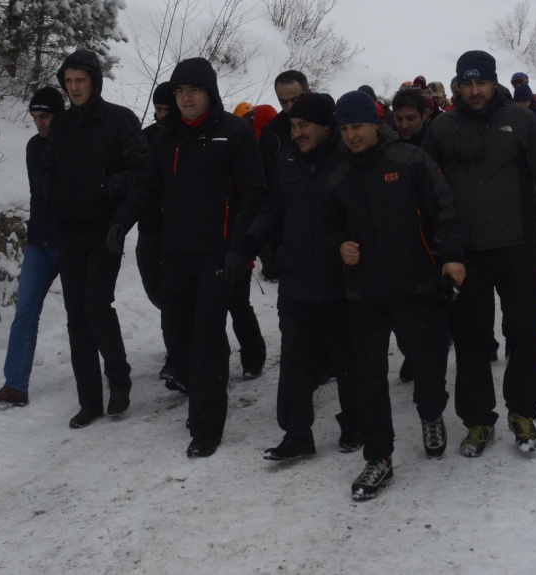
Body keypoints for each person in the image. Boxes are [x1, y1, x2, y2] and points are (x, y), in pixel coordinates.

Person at [421, 50, 536, 457]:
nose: (474, 91)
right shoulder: (441, 128)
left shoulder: (520, 121)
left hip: (517, 247)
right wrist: (435, 249)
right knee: (471, 340)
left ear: (494, 82)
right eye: (466, 84)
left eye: (481, 82)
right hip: (464, 254)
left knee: (525, 332)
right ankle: (478, 421)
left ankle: (523, 413)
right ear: (456, 86)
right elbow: (427, 194)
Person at [116, 57, 267, 457]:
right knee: (176, 332)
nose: (185, 99)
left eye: (193, 91)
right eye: (180, 92)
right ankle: (201, 390)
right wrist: (121, 224)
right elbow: (147, 188)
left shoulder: (234, 133)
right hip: (176, 253)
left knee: (207, 338)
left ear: (209, 93)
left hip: (217, 254)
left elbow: (253, 192)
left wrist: (240, 247)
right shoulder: (165, 138)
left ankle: (206, 425)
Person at [326, 91, 464, 500]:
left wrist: (451, 258)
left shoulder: (409, 161)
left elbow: (445, 210)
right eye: (345, 128)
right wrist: (339, 246)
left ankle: (431, 413)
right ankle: (378, 457)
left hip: (416, 284)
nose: (351, 135)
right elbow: (327, 224)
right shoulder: (338, 175)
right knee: (368, 377)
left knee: (427, 362)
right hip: (364, 291)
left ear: (375, 124)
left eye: (357, 127)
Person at [240, 92, 362, 462]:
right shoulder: (287, 160)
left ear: (327, 126)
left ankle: (355, 423)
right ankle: (296, 435)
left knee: (346, 359)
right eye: (292, 126)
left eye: (304, 126)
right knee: (294, 360)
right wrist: (250, 238)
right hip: (295, 277)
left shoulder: (350, 161)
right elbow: (275, 207)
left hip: (338, 280)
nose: (297, 133)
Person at [45, 50, 148, 429]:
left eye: (80, 81)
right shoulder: (61, 126)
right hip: (69, 231)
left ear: (94, 82)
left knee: (96, 306)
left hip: (106, 229)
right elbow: (48, 171)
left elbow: (142, 172)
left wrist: (112, 196)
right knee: (76, 316)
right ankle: (89, 400)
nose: (74, 88)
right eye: (69, 82)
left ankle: (118, 380)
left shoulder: (120, 120)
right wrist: (55, 200)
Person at [0, 86, 66, 408]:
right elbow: (42, 193)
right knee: (25, 313)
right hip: (39, 243)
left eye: (45, 117)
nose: (39, 123)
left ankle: (104, 382)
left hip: (71, 243)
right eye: (34, 117)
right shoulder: (34, 147)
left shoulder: (76, 144)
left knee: (85, 315)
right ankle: (15, 385)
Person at [136, 82, 180, 386]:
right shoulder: (147, 138)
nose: (163, 115)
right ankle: (179, 339)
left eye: (168, 110)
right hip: (150, 226)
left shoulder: (185, 140)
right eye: (159, 110)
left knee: (175, 292)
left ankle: (177, 353)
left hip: (178, 230)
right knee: (156, 288)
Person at [258, 70, 310, 281]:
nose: (290, 107)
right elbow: (263, 181)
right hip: (284, 230)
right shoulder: (272, 132)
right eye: (283, 102)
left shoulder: (328, 125)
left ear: (308, 92)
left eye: (295, 100)